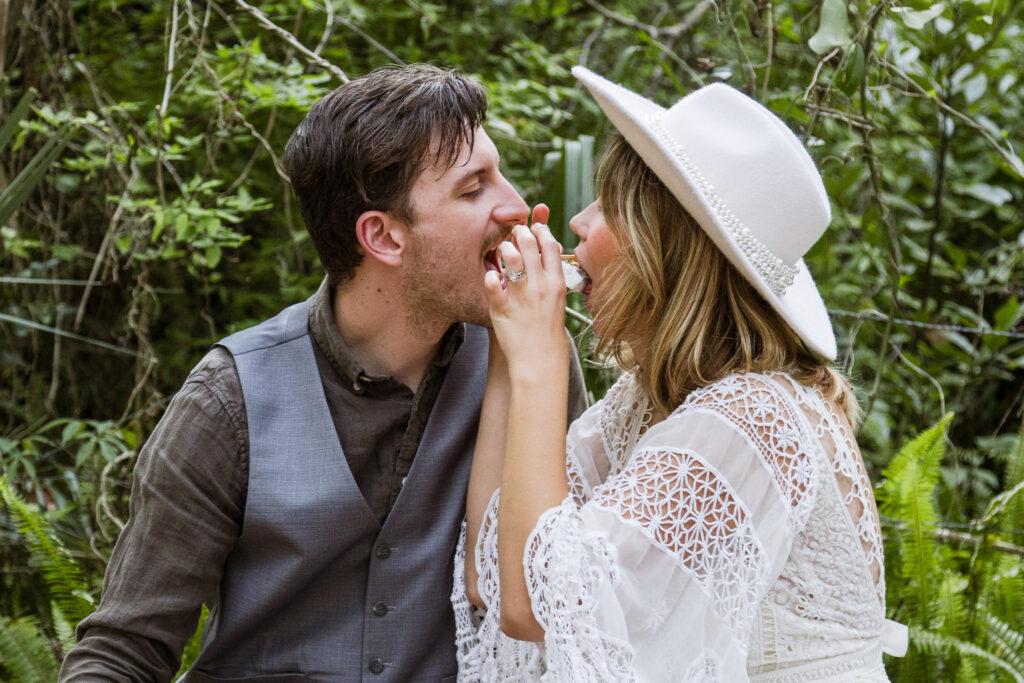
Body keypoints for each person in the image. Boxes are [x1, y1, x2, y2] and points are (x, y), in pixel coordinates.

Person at [60, 64, 588, 682]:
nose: (518, 207)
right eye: (474, 189)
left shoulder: (532, 362)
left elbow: (571, 601)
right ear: (383, 236)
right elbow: (122, 652)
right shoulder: (227, 400)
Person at [452, 66, 908, 682]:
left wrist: (540, 356)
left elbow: (538, 608)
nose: (579, 222)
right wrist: (509, 348)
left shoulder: (754, 417)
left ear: (663, 247)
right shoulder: (647, 401)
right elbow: (494, 571)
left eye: (607, 205)